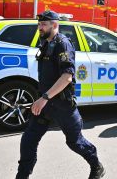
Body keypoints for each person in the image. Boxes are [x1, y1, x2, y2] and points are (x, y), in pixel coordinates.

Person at [16, 10, 105, 179]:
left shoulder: (63, 44)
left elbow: (67, 77)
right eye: (39, 24)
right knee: (28, 140)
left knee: (75, 143)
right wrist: (41, 98)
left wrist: (44, 98)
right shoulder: (46, 43)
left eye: (43, 24)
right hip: (45, 104)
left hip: (62, 106)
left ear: (54, 25)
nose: (39, 28)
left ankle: (96, 166)